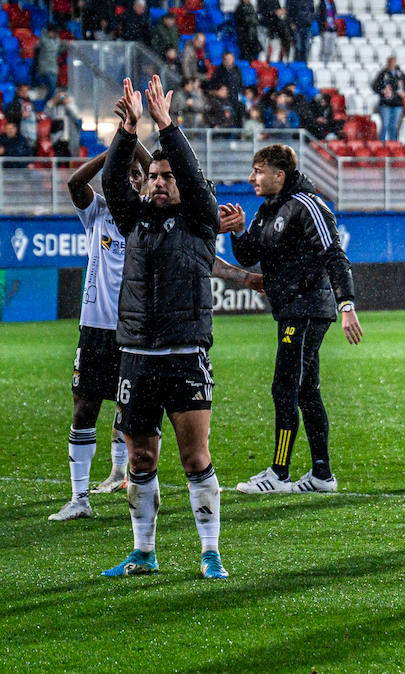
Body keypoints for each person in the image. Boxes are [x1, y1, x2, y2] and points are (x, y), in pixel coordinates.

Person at [100, 75, 226, 580]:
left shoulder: (201, 219)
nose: (159, 181)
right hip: (135, 353)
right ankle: (143, 552)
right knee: (142, 458)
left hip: (184, 352)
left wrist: (167, 127)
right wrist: (128, 132)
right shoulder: (134, 221)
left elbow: (194, 180)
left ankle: (210, 552)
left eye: (167, 176)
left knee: (195, 456)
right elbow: (112, 184)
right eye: (153, 175)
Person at [221, 145, 360, 494]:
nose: (252, 178)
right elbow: (250, 254)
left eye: (258, 171)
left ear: (278, 175)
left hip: (308, 308)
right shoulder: (268, 209)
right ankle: (321, 475)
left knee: (285, 387)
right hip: (292, 309)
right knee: (306, 391)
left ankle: (279, 473)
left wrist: (346, 305)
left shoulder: (308, 205)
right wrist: (237, 231)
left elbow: (334, 255)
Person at [47, 143, 151, 520]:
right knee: (84, 408)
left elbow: (155, 169)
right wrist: (113, 153)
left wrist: (131, 140)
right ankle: (79, 499)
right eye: (123, 176)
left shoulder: (147, 216)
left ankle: (125, 479)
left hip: (135, 331)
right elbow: (75, 182)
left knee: (131, 409)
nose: (131, 179)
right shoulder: (98, 212)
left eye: (137, 175)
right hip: (95, 328)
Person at [372, 57, 405, 142]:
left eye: (393, 62)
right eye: (390, 62)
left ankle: (393, 145)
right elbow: (375, 86)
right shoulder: (383, 74)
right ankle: (381, 144)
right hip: (385, 104)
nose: (392, 64)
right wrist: (382, 90)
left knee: (394, 126)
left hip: (397, 104)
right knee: (385, 125)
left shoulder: (400, 74)